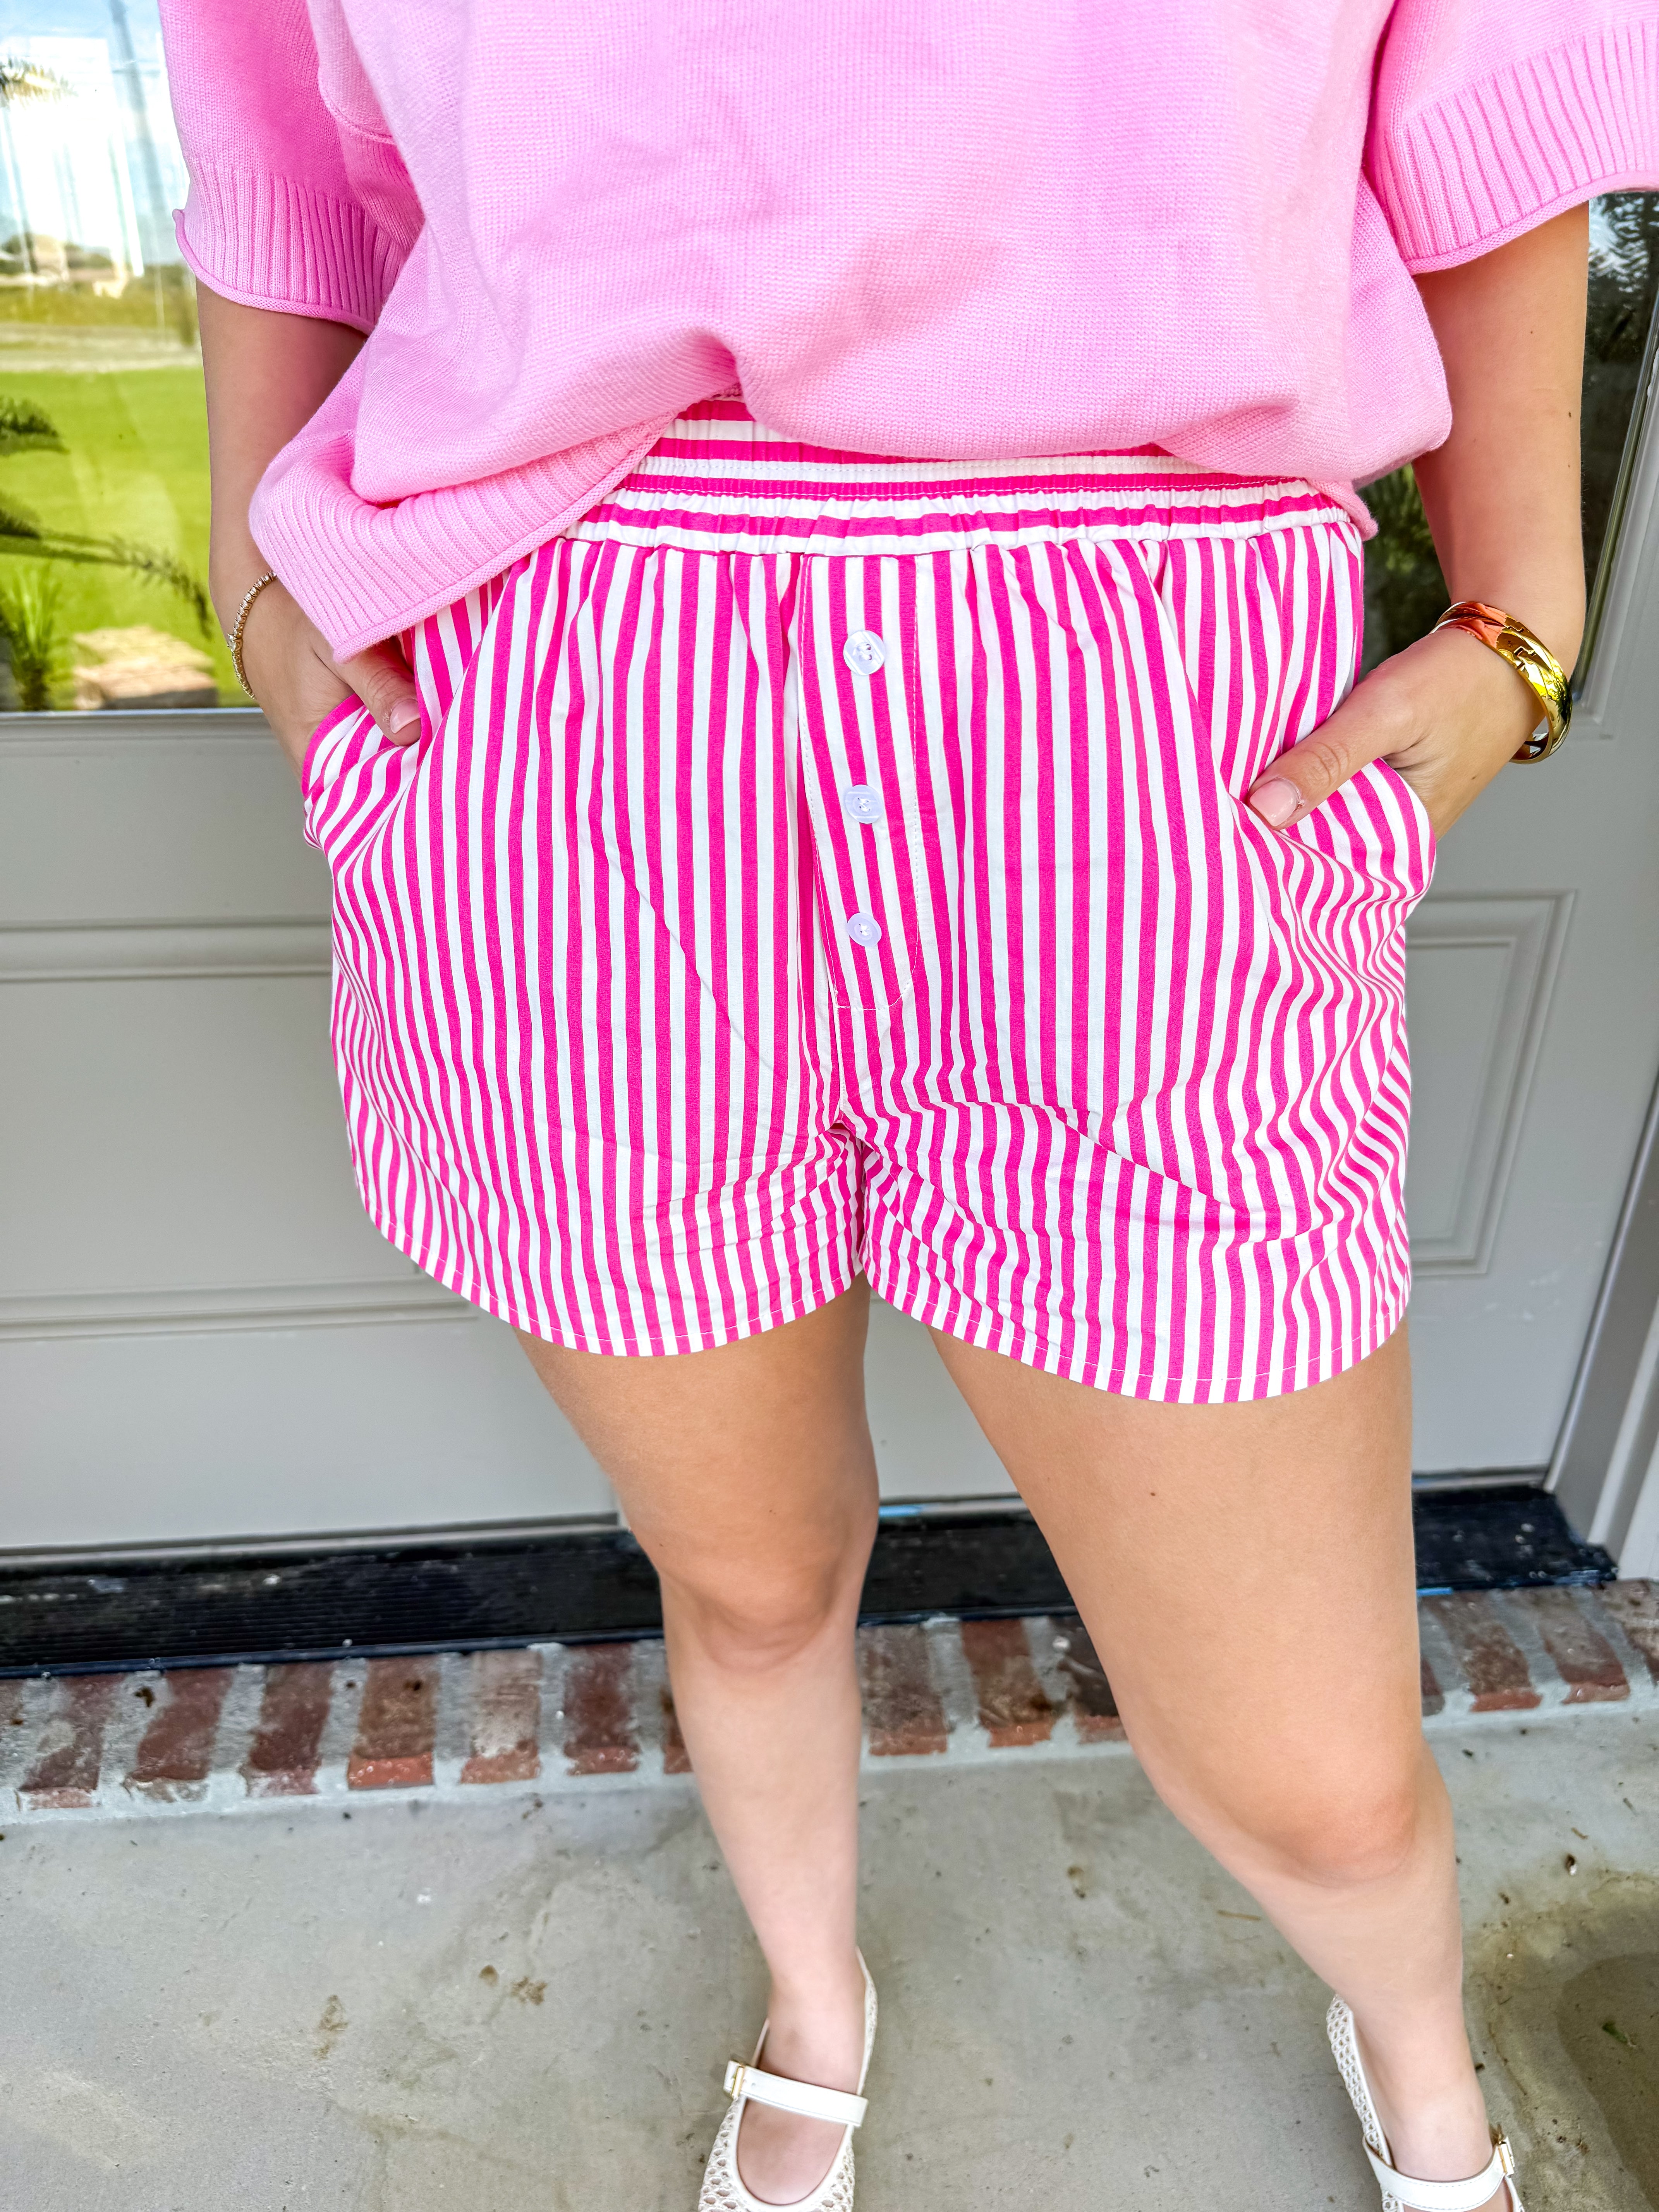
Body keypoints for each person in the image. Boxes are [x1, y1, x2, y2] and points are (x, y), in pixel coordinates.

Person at [158, 2, 1655, 2204]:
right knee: (754, 1582)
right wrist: (258, 574)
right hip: (577, 704)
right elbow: (275, 110)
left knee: (1314, 1767)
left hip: (1140, 710)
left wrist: (1522, 605)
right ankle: (815, 2003)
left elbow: (1489, 70)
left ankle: (1424, 2056)